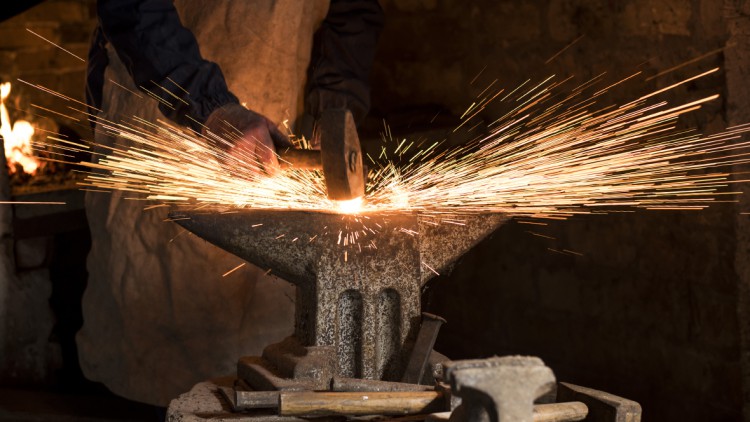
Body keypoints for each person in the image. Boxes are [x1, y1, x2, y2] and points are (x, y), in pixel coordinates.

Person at [78, 0, 383, 406]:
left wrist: (331, 109)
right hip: (160, 131)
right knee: (155, 365)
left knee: (267, 373)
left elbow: (353, 14)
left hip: (272, 136)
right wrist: (211, 107)